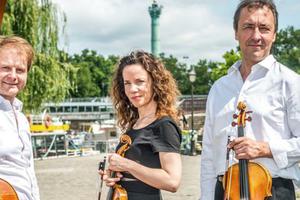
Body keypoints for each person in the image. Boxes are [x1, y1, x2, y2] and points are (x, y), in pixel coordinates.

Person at [200, 0, 300, 199]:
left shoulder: (291, 83)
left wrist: (265, 148)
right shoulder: (219, 88)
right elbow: (209, 156)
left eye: (264, 28)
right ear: (236, 32)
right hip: (225, 190)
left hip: (273, 191)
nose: (256, 36)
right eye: (247, 27)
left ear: (274, 35)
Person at [99, 50, 182, 200]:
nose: (132, 89)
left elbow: (172, 181)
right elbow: (137, 174)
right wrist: (115, 176)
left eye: (139, 82)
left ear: (155, 82)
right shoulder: (135, 124)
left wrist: (126, 165)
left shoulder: (164, 125)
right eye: (127, 83)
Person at [0, 35, 40, 200]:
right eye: (5, 68)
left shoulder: (21, 117)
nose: (13, 76)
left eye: (20, 70)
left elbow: (27, 170)